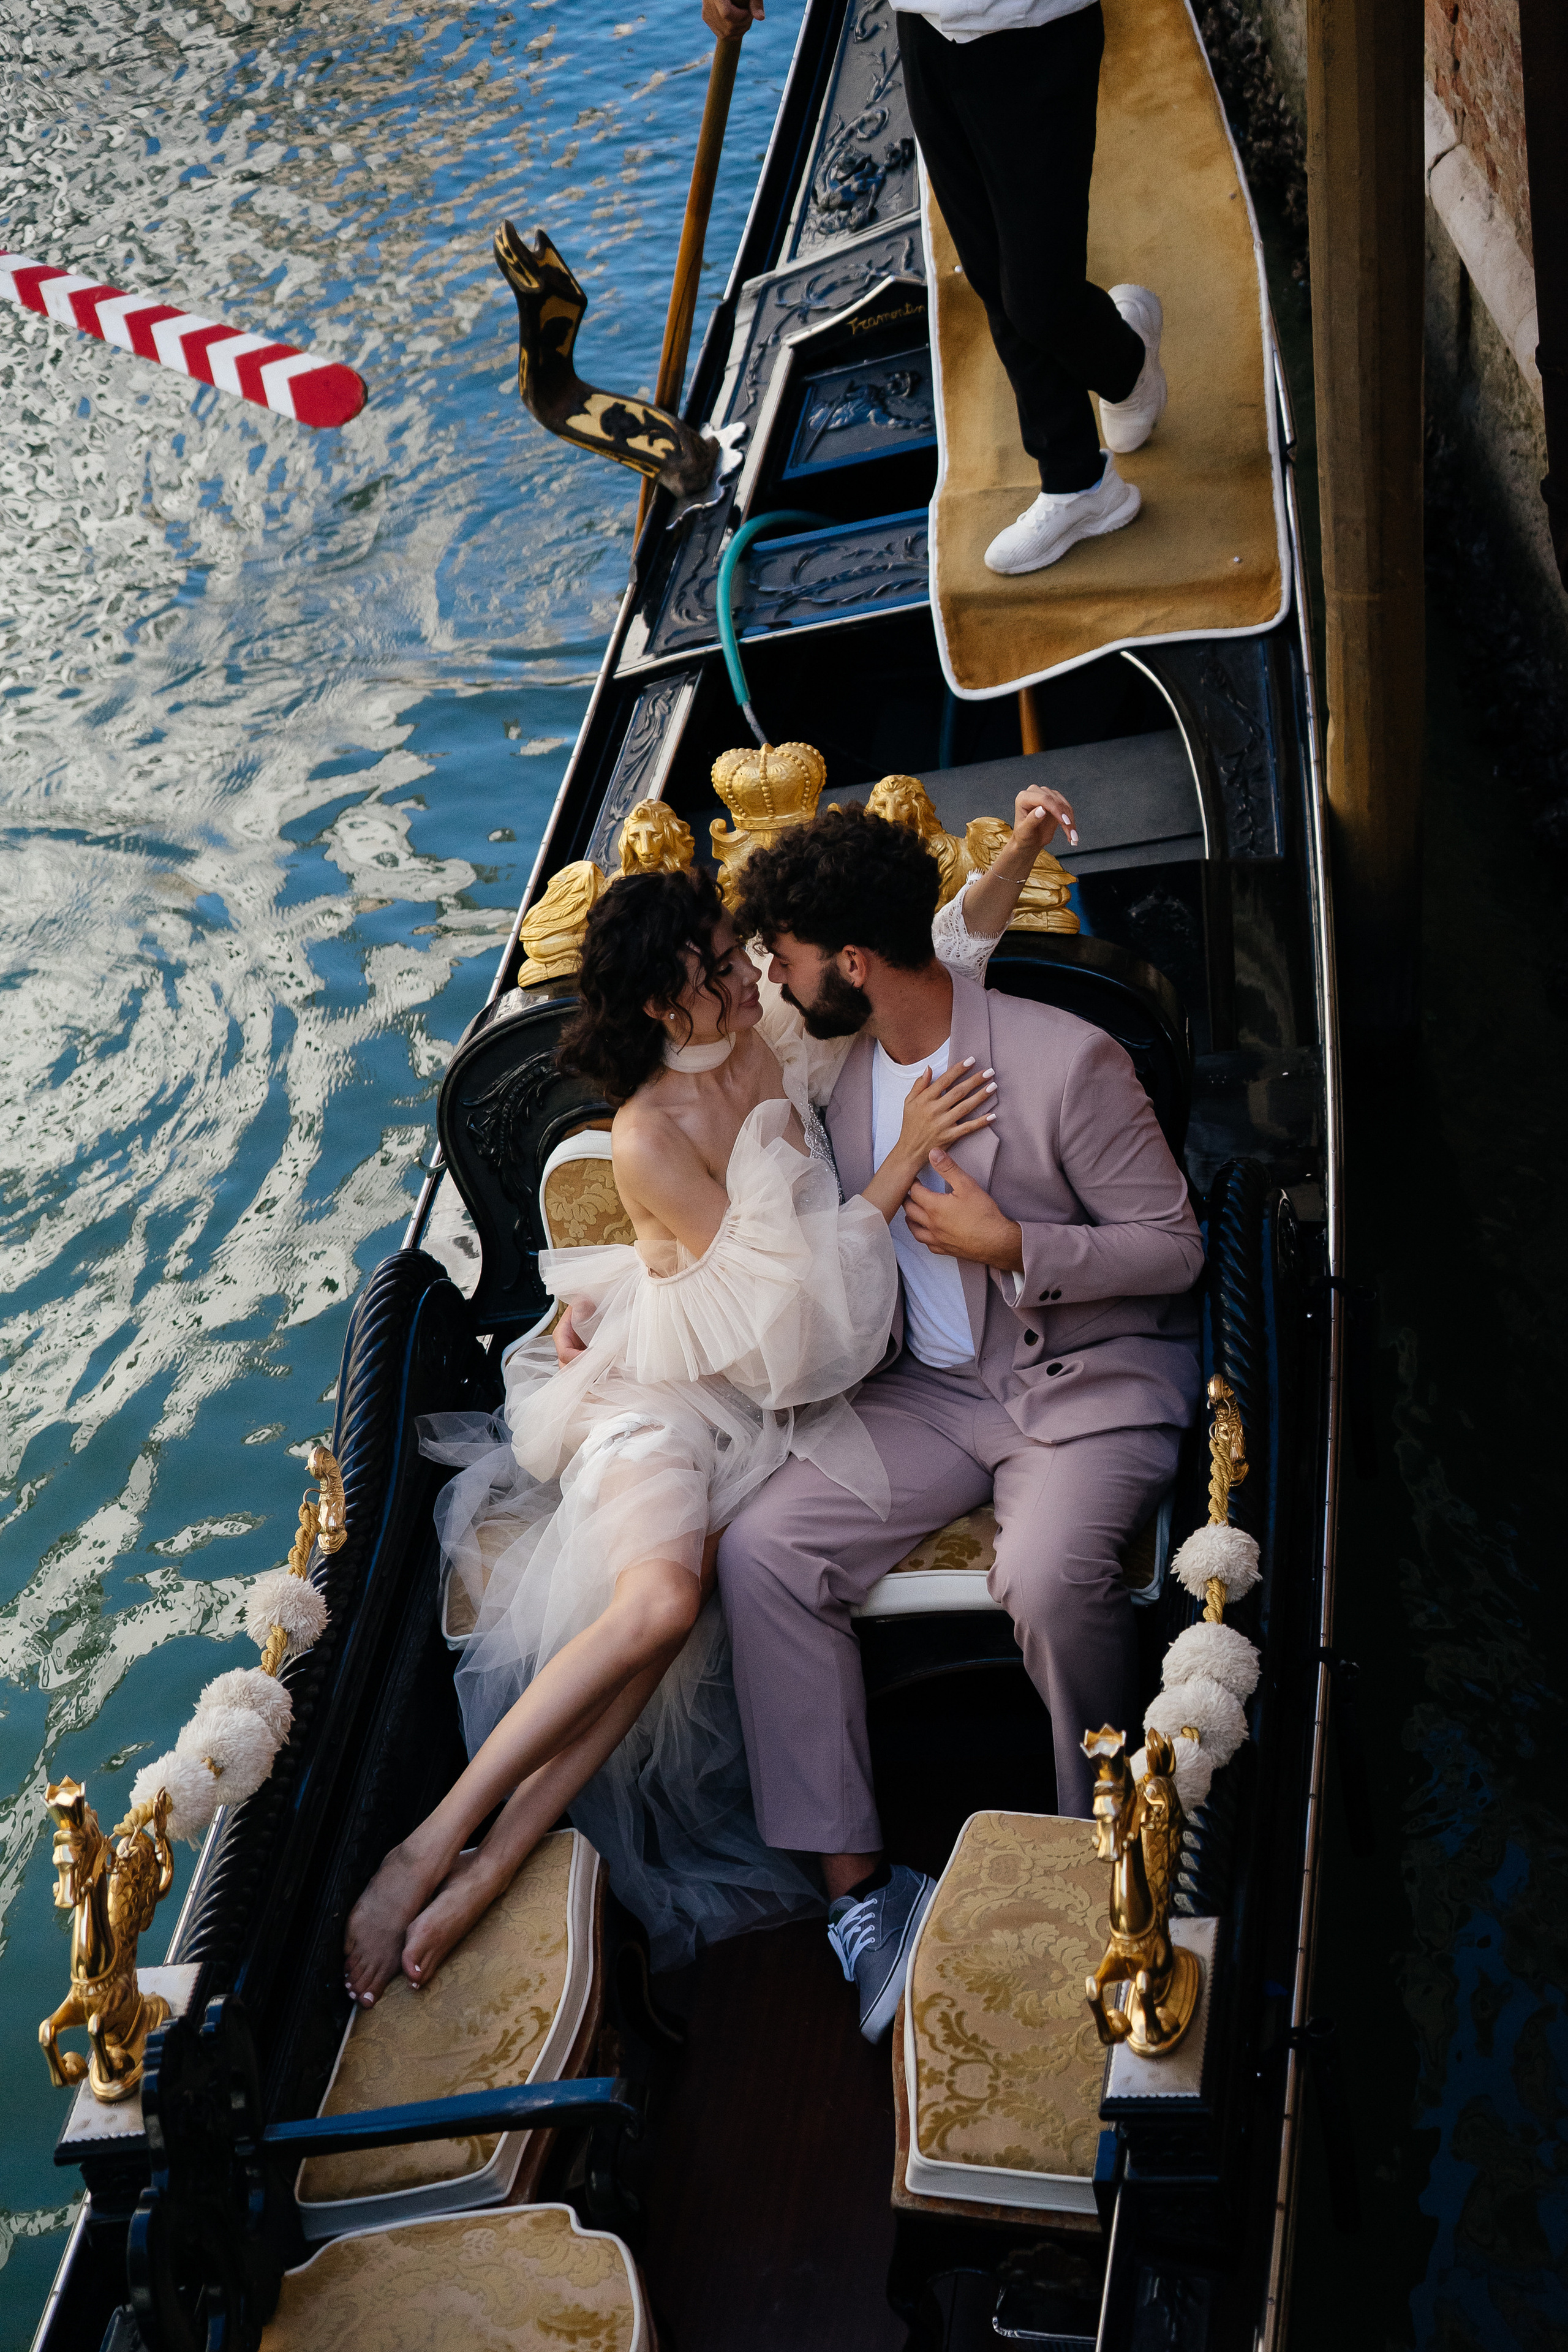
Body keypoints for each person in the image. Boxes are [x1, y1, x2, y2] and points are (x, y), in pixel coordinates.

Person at [342, 786, 1071, 2006]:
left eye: (736, 957)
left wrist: (1025, 847)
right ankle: (427, 1850)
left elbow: (927, 957)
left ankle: (490, 1859)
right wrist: (893, 1171)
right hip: (663, 1398)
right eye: (717, 970)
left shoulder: (771, 1036)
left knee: (679, 1602)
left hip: (764, 1391)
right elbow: (785, 1324)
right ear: (656, 1003)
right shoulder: (644, 1136)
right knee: (660, 1602)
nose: (745, 978)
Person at [717, 808, 1205, 2041]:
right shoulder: (834, 1066)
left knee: (1045, 1576)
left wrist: (1013, 1246)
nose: (772, 978)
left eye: (784, 956)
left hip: (1078, 1389)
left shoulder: (1066, 1062)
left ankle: (1089, 1867)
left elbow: (1175, 1249)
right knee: (760, 1551)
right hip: (929, 1392)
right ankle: (863, 1900)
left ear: (855, 962)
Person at [705, 0, 1165, 578]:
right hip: (926, 25)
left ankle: (1127, 365)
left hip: (1032, 31)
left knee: (1039, 295)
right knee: (989, 267)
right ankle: (1076, 481)